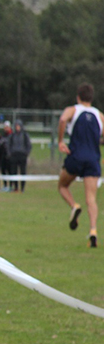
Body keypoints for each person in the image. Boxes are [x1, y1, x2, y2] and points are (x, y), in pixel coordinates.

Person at [57, 83, 103, 248]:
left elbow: (63, 119)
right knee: (91, 198)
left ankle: (74, 206)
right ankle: (93, 231)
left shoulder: (74, 110)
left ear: (78, 97)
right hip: (93, 159)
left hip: (76, 156)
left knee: (62, 185)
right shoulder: (99, 115)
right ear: (91, 98)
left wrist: (61, 141)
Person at [6, 120, 31, 192]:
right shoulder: (12, 135)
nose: (17, 128)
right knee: (14, 172)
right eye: (16, 126)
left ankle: (22, 188)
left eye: (18, 126)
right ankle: (15, 187)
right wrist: (9, 154)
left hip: (22, 156)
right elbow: (8, 145)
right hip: (14, 156)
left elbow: (28, 145)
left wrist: (26, 153)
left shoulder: (25, 135)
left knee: (23, 172)